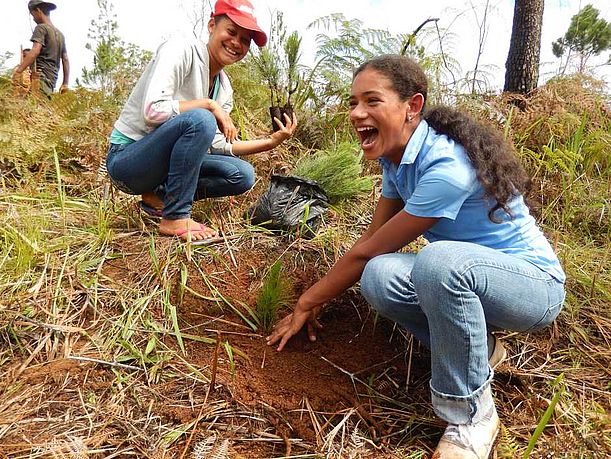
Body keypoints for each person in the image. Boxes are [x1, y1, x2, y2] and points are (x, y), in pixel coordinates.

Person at [266, 55, 565, 458]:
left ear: (412, 106)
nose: (357, 113)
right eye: (353, 102)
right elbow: (370, 246)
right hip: (474, 280)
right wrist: (320, 294)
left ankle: (472, 416)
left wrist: (308, 301)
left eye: (372, 101)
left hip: (533, 287)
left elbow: (370, 247)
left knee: (437, 263)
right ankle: (484, 350)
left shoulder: (446, 167)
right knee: (378, 275)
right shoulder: (397, 161)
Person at [105, 0, 297, 242]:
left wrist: (271, 141)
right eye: (231, 32)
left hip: (160, 170)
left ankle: (159, 198)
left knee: (241, 174)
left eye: (245, 40)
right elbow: (153, 111)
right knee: (201, 119)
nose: (236, 43)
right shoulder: (180, 49)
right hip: (127, 162)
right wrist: (208, 105)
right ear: (211, 25)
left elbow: (217, 144)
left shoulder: (223, 88)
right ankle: (175, 217)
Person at [12, 0, 69, 97]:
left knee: (31, 107)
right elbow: (65, 59)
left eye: (33, 14)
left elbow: (35, 51)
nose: (33, 19)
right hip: (52, 81)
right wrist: (65, 83)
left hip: (39, 78)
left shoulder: (41, 28)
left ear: (38, 10)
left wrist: (19, 71)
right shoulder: (60, 35)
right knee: (40, 106)